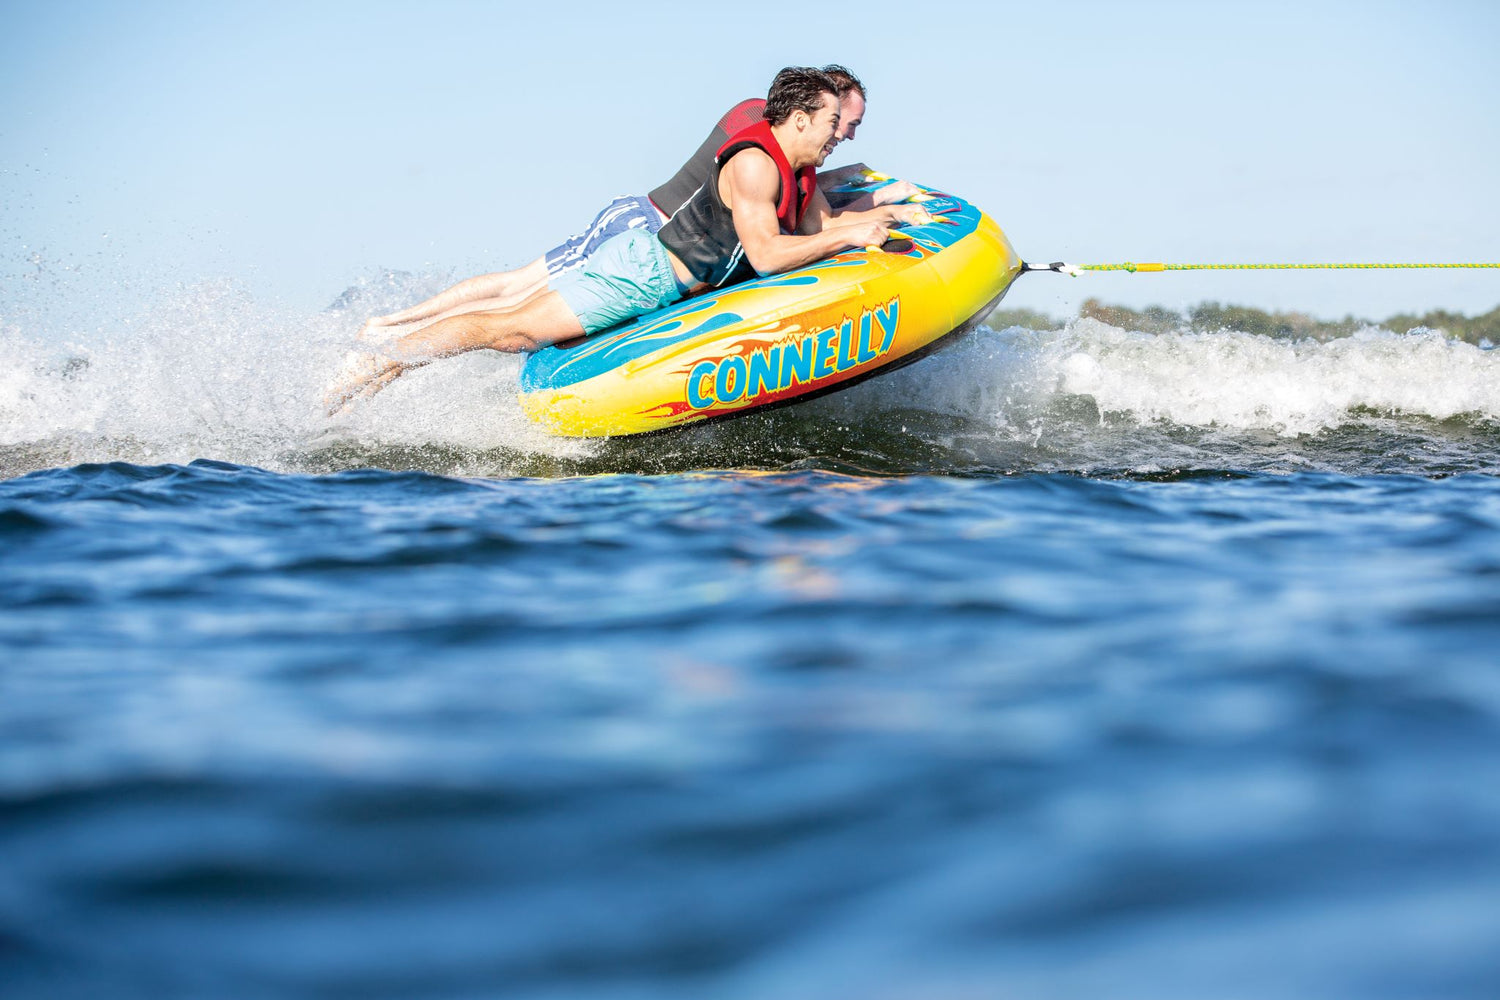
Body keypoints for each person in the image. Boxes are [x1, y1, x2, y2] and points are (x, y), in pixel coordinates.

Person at [325, 67, 928, 412]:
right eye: (832, 124)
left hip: (672, 287)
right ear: (799, 119)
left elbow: (816, 226)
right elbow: (771, 254)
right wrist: (852, 241)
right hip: (644, 272)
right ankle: (381, 361)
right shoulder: (756, 166)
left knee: (510, 314)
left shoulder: (798, 173)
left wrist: (892, 218)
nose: (837, 138)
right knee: (510, 326)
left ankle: (385, 354)